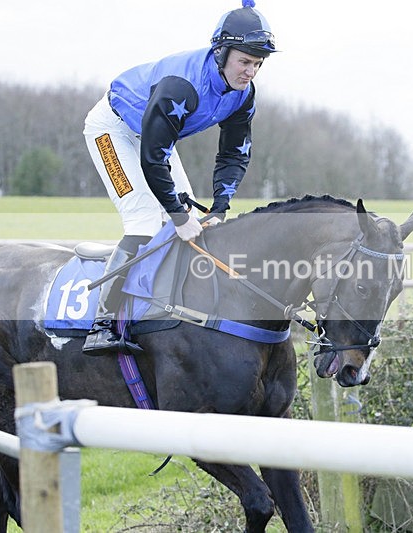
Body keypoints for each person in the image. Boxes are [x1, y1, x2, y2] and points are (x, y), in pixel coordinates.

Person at [81, 0, 276, 355]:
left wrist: (219, 206)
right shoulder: (181, 86)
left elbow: (234, 154)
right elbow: (152, 159)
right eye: (244, 62)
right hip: (112, 129)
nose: (250, 72)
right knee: (143, 222)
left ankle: (169, 305)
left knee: (195, 226)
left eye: (257, 64)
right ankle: (102, 323)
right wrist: (176, 214)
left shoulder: (243, 95)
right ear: (221, 53)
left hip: (154, 138)